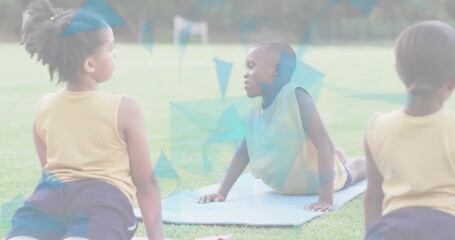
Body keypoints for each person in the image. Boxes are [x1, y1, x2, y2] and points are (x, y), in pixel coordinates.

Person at [6, 0, 164, 239]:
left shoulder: (43, 105)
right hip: (103, 203)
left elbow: (48, 172)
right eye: (111, 49)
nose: (115, 54)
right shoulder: (125, 107)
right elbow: (145, 183)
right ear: (89, 64)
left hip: (49, 198)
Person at [198, 42, 365, 212]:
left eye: (251, 66)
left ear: (276, 70)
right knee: (331, 158)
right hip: (284, 184)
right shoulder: (255, 106)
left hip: (313, 182)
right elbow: (243, 152)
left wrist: (326, 200)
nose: (245, 74)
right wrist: (221, 192)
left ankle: (360, 162)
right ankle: (339, 159)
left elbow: (325, 145)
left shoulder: (297, 97)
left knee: (352, 170)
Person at [364, 20, 455, 239]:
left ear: (399, 71)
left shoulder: (377, 127)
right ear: (452, 82)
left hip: (389, 230)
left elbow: (373, 198)